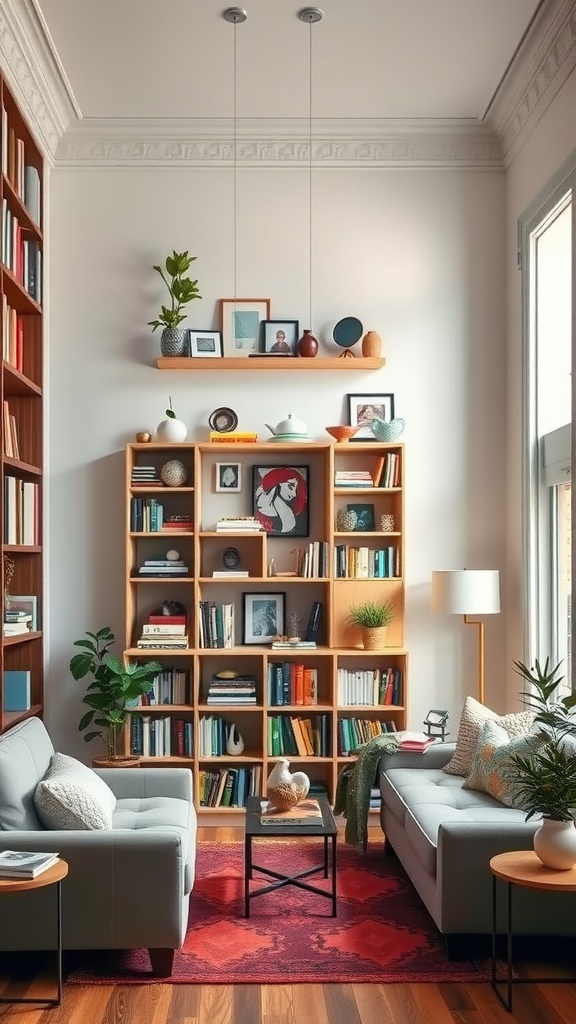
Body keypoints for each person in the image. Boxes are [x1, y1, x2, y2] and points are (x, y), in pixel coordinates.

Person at [254, 466, 307, 534]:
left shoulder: (299, 514)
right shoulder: (259, 512)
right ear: (277, 483)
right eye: (290, 487)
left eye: (296, 490)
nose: (294, 494)